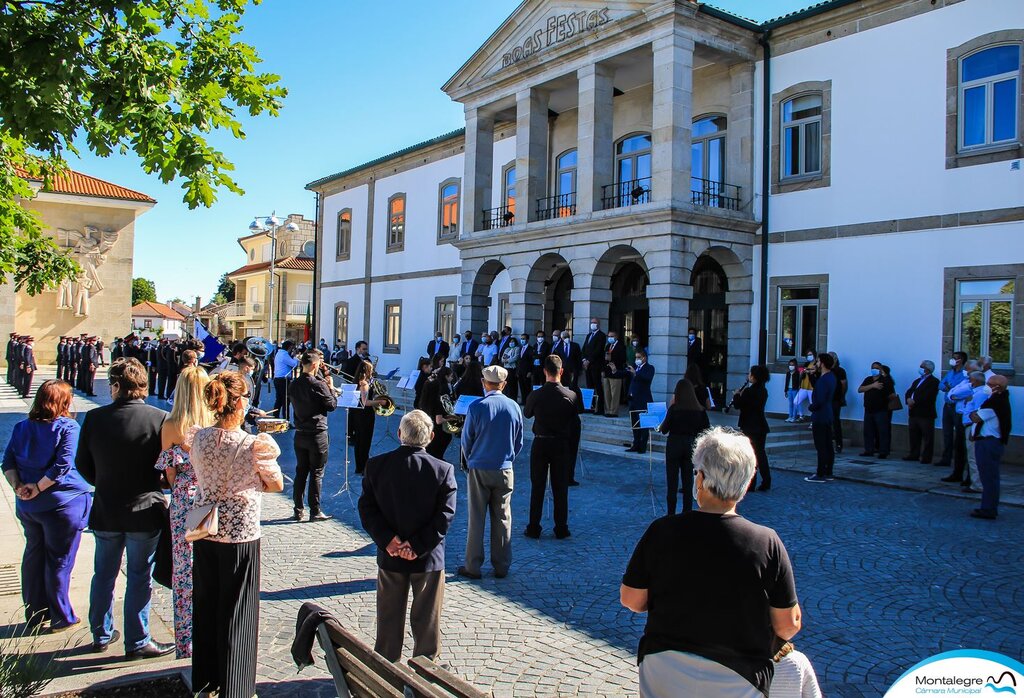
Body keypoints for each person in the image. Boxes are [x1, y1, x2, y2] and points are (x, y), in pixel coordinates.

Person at [621, 427, 802, 698]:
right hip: (737, 678)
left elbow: (632, 599)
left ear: (701, 479)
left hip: (664, 668)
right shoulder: (766, 543)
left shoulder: (662, 531)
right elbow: (787, 625)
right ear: (746, 482)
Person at [190, 371, 283, 697]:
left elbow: (200, 474)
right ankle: (237, 687)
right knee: (237, 611)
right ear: (241, 402)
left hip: (203, 525)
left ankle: (205, 678)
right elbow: (276, 484)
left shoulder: (199, 437)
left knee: (205, 604)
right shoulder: (253, 444)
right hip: (239, 531)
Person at [77, 358, 173, 658]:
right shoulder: (160, 418)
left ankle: (101, 633)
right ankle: (137, 639)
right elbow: (167, 467)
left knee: (103, 574)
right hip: (145, 507)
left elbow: (82, 464)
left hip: (107, 506)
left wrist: (104, 481)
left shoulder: (94, 418)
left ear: (116, 386)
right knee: (139, 576)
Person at [358, 410, 457, 661]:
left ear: (400, 434)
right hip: (427, 558)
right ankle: (425, 671)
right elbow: (445, 515)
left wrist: (389, 540)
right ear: (432, 437)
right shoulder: (442, 470)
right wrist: (416, 545)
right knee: (427, 621)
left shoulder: (376, 465)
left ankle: (386, 668)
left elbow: (367, 508)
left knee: (388, 618)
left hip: (391, 555)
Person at [2, 380, 93, 633]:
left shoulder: (22, 427)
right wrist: (38, 487)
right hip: (60, 503)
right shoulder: (67, 426)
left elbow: (7, 460)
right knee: (59, 560)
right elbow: (62, 465)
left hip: (29, 505)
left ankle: (34, 611)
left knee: (33, 555)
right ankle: (61, 615)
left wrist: (19, 486)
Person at [154, 366, 213, 658]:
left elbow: (170, 473)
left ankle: (185, 641)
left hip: (183, 499)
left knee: (184, 571)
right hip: (209, 498)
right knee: (210, 563)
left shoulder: (171, 424)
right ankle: (211, 631)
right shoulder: (213, 421)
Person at [457, 365, 523, 580]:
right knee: (503, 517)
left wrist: (469, 460)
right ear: (503, 384)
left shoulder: (477, 407)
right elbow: (519, 441)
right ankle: (502, 565)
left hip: (479, 466)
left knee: (476, 517)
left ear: (484, 383)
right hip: (504, 467)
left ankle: (473, 565)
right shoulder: (513, 406)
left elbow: (466, 440)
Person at [523, 356, 579, 540]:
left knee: (537, 486)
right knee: (560, 488)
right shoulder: (570, 395)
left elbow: (527, 413)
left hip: (540, 442)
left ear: (544, 371)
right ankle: (561, 528)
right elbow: (574, 418)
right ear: (561, 372)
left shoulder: (536, 394)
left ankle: (533, 527)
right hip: (561, 444)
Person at [288, 349, 337, 522]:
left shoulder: (294, 384)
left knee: (301, 471)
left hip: (300, 434)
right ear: (315, 365)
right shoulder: (318, 384)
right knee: (316, 473)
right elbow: (331, 405)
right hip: (317, 433)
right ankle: (315, 510)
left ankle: (298, 509)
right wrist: (330, 388)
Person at [658, 379, 709, 515]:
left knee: (672, 481)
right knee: (688, 481)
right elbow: (706, 430)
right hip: (691, 445)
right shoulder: (700, 410)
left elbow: (664, 429)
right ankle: (687, 511)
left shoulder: (674, 409)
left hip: (674, 444)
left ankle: (671, 513)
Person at [968, 375, 1010, 520]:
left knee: (988, 477)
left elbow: (975, 417)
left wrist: (972, 410)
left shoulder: (995, 402)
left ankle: (988, 508)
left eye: (989, 384)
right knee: (990, 477)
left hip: (988, 443)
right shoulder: (999, 400)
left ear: (997, 387)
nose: (986, 386)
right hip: (990, 442)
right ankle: (989, 506)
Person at [945, 370, 990, 491]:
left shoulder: (980, 394)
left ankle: (977, 485)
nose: (968, 381)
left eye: (970, 379)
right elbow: (953, 395)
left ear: (975, 381)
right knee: (971, 456)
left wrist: (973, 429)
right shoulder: (974, 392)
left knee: (973, 457)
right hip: (968, 425)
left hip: (972, 426)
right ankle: (975, 482)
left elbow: (977, 413)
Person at [734, 365, 771, 491]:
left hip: (750, 426)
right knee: (761, 454)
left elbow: (739, 405)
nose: (748, 376)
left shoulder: (749, 391)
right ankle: (766, 481)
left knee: (751, 455)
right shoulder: (763, 390)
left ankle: (751, 483)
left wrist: (736, 395)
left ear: (754, 377)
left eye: (750, 374)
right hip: (760, 425)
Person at [350, 359, 387, 475]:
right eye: (371, 369)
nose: (372, 371)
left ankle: (359, 467)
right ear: (367, 370)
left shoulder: (357, 381)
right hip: (365, 415)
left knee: (359, 441)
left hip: (358, 414)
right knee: (365, 442)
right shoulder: (364, 383)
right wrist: (380, 402)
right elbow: (365, 402)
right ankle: (363, 468)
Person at [804, 353, 836, 483]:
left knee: (821, 445)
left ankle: (820, 473)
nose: (816, 364)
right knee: (828, 445)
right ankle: (828, 472)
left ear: (822, 363)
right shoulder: (830, 377)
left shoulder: (824, 379)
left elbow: (820, 399)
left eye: (817, 362)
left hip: (820, 415)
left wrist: (812, 407)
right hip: (827, 414)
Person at [903, 359, 939, 464]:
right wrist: (908, 399)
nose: (920, 368)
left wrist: (914, 402)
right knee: (914, 435)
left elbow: (928, 396)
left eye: (922, 367)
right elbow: (909, 391)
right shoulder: (917, 381)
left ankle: (927, 457)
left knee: (927, 436)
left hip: (925, 413)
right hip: (913, 412)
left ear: (927, 369)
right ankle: (914, 454)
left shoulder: (934, 381)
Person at [937, 351, 969, 472]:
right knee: (947, 433)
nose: (953, 360)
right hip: (948, 405)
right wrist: (947, 387)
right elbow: (941, 384)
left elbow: (960, 388)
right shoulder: (950, 372)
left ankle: (961, 459)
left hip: (958, 407)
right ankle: (946, 458)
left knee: (960, 434)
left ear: (961, 360)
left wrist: (951, 387)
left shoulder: (964, 374)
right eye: (953, 357)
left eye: (956, 358)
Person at [857, 361, 895, 459]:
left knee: (882, 431)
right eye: (873, 368)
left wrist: (885, 377)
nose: (875, 370)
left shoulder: (885, 380)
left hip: (881, 410)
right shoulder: (868, 379)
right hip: (868, 409)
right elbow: (860, 389)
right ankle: (869, 450)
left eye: (877, 368)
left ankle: (883, 451)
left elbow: (891, 394)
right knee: (868, 431)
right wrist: (872, 386)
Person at [421, 367, 455, 460]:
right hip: (438, 431)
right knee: (446, 439)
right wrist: (451, 418)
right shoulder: (437, 402)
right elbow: (439, 421)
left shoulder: (424, 401)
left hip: (428, 427)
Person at [626, 350, 655, 453]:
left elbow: (647, 379)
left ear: (644, 358)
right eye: (636, 357)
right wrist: (615, 370)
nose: (636, 360)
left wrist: (636, 373)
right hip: (633, 399)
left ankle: (642, 446)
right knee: (635, 424)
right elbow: (625, 373)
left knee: (643, 424)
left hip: (643, 399)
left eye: (638, 357)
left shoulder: (649, 368)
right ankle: (636, 444)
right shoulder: (634, 367)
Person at [581, 318, 607, 414]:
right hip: (587, 365)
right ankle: (590, 406)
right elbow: (584, 349)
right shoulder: (589, 335)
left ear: (598, 324)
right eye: (592, 322)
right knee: (589, 385)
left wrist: (589, 360)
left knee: (598, 386)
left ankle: (599, 408)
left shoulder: (601, 336)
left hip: (596, 365)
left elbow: (598, 350)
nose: (593, 324)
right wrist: (584, 360)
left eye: (595, 323)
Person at [273, 340, 299, 420]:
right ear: (290, 347)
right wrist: (295, 356)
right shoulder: (284, 355)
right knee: (286, 401)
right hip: (283, 380)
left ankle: (276, 417)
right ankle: (286, 420)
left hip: (278, 379)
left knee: (279, 400)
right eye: (292, 348)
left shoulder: (279, 353)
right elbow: (295, 364)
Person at [602, 331, 627, 417]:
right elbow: (604, 359)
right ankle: (608, 410)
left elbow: (623, 359)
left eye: (611, 336)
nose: (610, 338)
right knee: (607, 393)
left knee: (615, 393)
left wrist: (611, 358)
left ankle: (613, 411)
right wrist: (603, 371)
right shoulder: (608, 345)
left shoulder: (621, 346)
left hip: (616, 372)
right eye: (608, 336)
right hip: (607, 372)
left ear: (616, 337)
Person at [828, 352, 847, 452]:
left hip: (835, 399)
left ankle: (838, 444)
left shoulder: (840, 371)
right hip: (826, 399)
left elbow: (844, 385)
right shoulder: (826, 370)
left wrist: (842, 396)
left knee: (835, 421)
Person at [793, 351, 816, 421]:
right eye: (808, 355)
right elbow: (802, 375)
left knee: (813, 405)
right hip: (804, 386)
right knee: (796, 401)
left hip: (812, 388)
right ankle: (801, 415)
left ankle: (813, 422)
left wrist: (810, 372)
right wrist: (802, 372)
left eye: (811, 354)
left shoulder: (816, 364)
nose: (809, 356)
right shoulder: (806, 363)